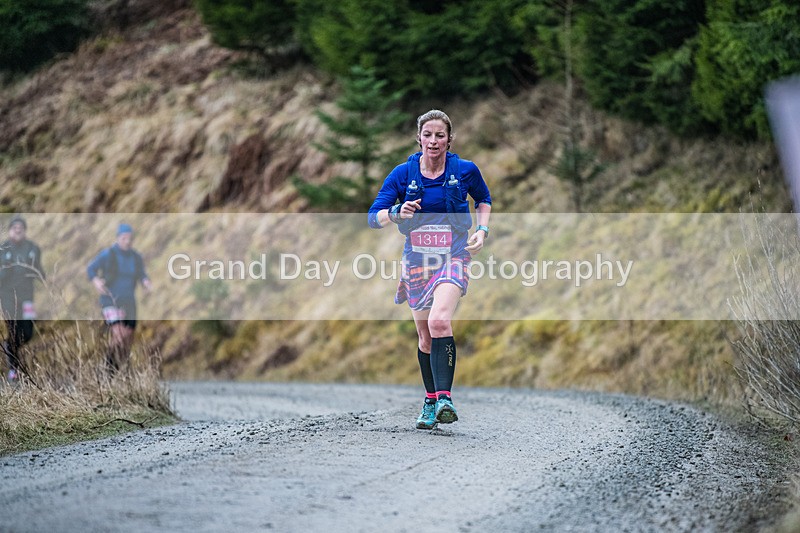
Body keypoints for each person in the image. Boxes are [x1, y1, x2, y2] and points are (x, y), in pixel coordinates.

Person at [368, 109, 492, 429]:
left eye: (440, 135)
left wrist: (482, 231)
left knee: (439, 321)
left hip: (454, 256)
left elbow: (484, 199)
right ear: (419, 138)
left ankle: (445, 399)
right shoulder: (402, 174)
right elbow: (373, 216)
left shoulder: (465, 170)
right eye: (428, 135)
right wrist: (397, 212)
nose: (433, 141)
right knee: (425, 338)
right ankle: (431, 400)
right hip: (417, 262)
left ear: (450, 140)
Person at [87, 223, 152, 373]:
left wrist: (146, 283)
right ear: (118, 238)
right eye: (124, 238)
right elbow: (91, 269)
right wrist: (96, 281)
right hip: (110, 300)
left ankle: (120, 369)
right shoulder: (108, 254)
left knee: (127, 338)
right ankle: (107, 369)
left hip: (129, 301)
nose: (127, 242)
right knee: (118, 334)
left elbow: (142, 274)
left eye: (130, 239)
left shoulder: (136, 257)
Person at [0, 216, 45, 383]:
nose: (18, 230)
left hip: (27, 298)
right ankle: (14, 370)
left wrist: (41, 276)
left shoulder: (33, 248)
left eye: (21, 227)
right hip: (8, 298)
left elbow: (38, 269)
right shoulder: (3, 248)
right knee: (13, 329)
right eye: (15, 227)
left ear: (25, 230)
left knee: (27, 332)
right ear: (10, 230)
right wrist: (5, 271)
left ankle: (9, 347)